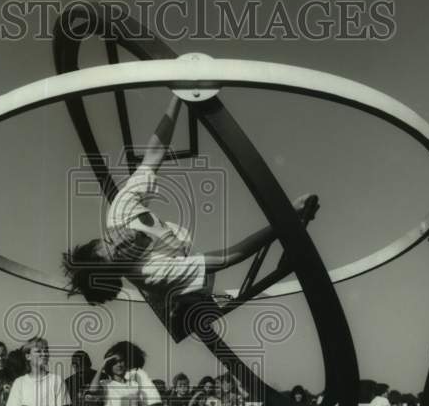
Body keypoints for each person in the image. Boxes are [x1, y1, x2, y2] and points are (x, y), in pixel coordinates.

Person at [62, 93, 319, 309]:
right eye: (117, 254)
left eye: (107, 242)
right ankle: (187, 308)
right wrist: (283, 221)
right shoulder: (150, 273)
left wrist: (177, 97)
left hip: (182, 258)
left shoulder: (119, 214)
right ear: (120, 270)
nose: (118, 242)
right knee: (193, 305)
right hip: (184, 296)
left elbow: (152, 156)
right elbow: (225, 258)